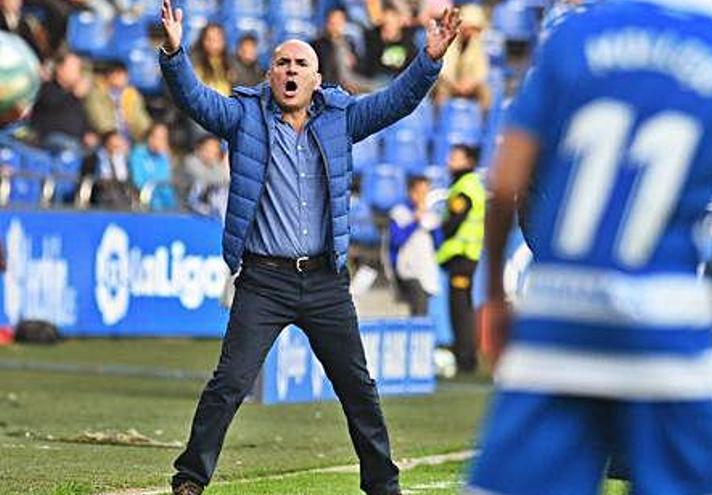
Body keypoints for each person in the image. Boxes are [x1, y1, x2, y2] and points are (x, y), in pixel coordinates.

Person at [469, 1, 712, 494]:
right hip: (669, 330)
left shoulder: (573, 40)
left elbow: (505, 180)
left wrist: (494, 297)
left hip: (559, 324)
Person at [157, 0, 461, 493]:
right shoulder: (243, 117)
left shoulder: (341, 118)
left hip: (324, 282)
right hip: (264, 280)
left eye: (301, 64)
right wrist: (174, 52)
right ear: (270, 75)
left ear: (317, 79)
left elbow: (396, 101)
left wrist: (428, 59)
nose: (291, 70)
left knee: (358, 389)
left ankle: (383, 486)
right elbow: (194, 99)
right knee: (230, 384)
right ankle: (190, 478)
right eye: (282, 63)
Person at [436, 144, 484, 374]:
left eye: (454, 157)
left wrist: (436, 232)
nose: (449, 161)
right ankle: (465, 355)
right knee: (461, 306)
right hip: (464, 257)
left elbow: (454, 222)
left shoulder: (465, 187)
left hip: (462, 256)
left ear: (468, 161)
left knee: (460, 308)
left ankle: (466, 358)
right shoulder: (467, 184)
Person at [389, 175, 441, 316]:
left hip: (426, 268)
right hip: (408, 269)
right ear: (411, 192)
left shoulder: (431, 215)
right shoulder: (400, 212)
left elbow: (438, 243)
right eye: (420, 192)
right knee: (419, 308)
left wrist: (434, 227)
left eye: (426, 192)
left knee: (422, 310)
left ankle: (418, 336)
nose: (423, 197)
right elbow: (397, 240)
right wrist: (415, 221)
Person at [29, 51, 93, 154]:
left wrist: (88, 132)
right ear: (59, 69)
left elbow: (82, 118)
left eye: (78, 68)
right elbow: (51, 104)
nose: (78, 72)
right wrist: (74, 95)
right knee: (70, 147)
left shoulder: (75, 95)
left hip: (76, 141)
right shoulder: (48, 88)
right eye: (73, 68)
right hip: (50, 139)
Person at [434, 4, 492, 111]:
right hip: (449, 84)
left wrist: (470, 83)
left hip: (469, 85)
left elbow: (482, 70)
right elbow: (444, 70)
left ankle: (483, 124)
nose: (472, 32)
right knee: (441, 92)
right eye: (470, 28)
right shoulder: (450, 40)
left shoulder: (478, 43)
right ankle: (440, 121)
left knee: (485, 93)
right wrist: (456, 84)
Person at [84, 60, 153, 143]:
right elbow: (100, 118)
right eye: (115, 74)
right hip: (106, 138)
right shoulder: (98, 93)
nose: (119, 77)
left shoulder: (132, 95)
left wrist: (150, 133)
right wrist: (111, 135)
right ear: (108, 76)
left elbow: (140, 118)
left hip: (130, 139)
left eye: (122, 74)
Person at [358, 2, 419, 81]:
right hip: (380, 78)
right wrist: (384, 41)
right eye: (387, 23)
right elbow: (370, 66)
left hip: (401, 79)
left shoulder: (407, 39)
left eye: (393, 22)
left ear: (400, 23)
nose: (390, 27)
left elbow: (413, 63)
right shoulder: (373, 37)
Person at [312, 8, 367, 93]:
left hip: (354, 79)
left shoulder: (348, 42)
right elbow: (326, 72)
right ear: (327, 22)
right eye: (333, 21)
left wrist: (354, 61)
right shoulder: (319, 44)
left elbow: (360, 67)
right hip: (336, 84)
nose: (336, 24)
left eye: (340, 21)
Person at [81, 130, 135, 209]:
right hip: (101, 195)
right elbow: (88, 178)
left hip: (122, 195)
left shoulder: (125, 160)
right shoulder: (94, 159)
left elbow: (128, 180)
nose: (117, 146)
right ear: (106, 143)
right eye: (113, 143)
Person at [129, 122, 176, 211]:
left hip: (166, 204)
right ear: (149, 137)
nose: (160, 141)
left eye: (164, 138)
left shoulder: (164, 156)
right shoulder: (138, 154)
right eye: (157, 137)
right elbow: (138, 182)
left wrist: (168, 158)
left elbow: (166, 182)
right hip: (144, 203)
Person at [190, 23, 232, 96]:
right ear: (203, 41)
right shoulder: (193, 63)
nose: (214, 44)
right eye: (210, 39)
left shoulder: (231, 63)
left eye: (218, 39)